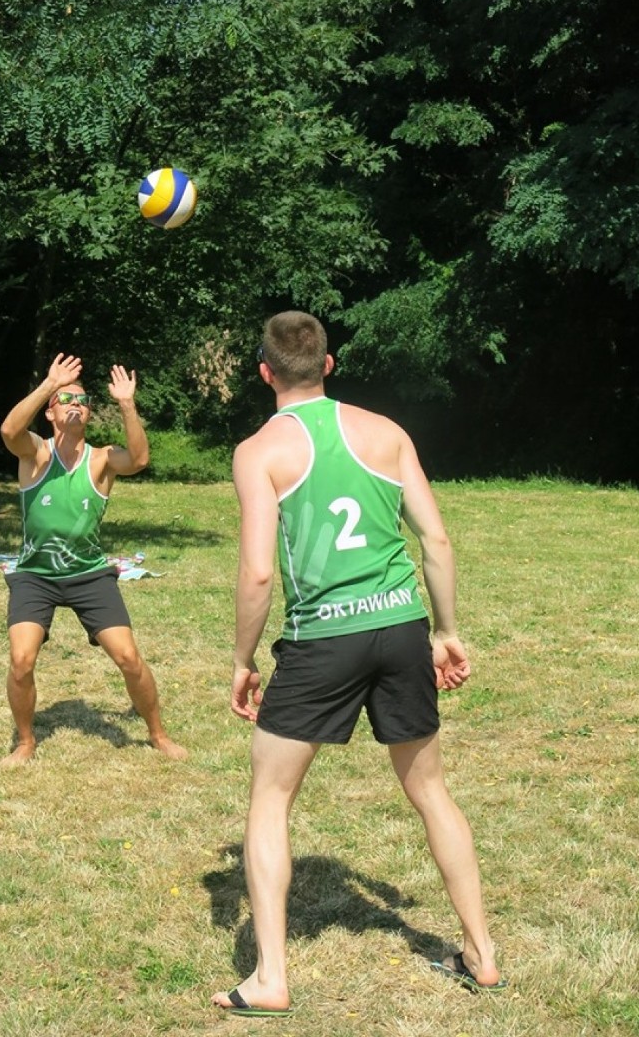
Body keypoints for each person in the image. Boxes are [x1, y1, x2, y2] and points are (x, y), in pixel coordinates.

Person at [212, 311, 505, 1018]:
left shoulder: (259, 450)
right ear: (329, 364)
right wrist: (447, 629)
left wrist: (242, 659)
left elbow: (257, 575)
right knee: (431, 790)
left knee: (271, 798)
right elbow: (435, 539)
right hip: (402, 628)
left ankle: (271, 978)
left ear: (264, 372)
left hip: (323, 640)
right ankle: (484, 956)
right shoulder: (387, 434)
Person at [0, 352, 187, 766]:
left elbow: (138, 460)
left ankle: (157, 734)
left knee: (129, 658)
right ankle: (25, 741)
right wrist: (50, 385)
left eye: (82, 401)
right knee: (21, 659)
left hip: (88, 575)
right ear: (51, 412)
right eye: (66, 400)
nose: (75, 405)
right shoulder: (36, 455)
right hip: (36, 575)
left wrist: (127, 404)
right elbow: (10, 430)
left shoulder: (101, 459)